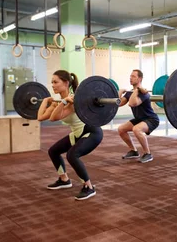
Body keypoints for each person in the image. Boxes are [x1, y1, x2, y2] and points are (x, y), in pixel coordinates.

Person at [37, 70, 103, 201]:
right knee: (53, 151)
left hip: (91, 132)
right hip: (78, 133)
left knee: (72, 155)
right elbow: (40, 117)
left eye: (56, 82)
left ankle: (88, 187)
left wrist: (63, 103)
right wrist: (45, 101)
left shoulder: (74, 100)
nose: (53, 85)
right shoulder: (58, 102)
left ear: (66, 83)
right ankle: (64, 179)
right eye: (52, 82)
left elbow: (54, 118)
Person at [117, 69, 160, 163]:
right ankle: (134, 151)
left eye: (133, 76)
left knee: (136, 129)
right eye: (130, 76)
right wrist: (120, 92)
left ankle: (147, 154)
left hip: (151, 119)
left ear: (140, 79)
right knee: (121, 129)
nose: (130, 78)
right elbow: (119, 104)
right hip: (140, 119)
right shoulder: (129, 92)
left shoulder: (143, 93)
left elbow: (133, 103)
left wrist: (136, 91)